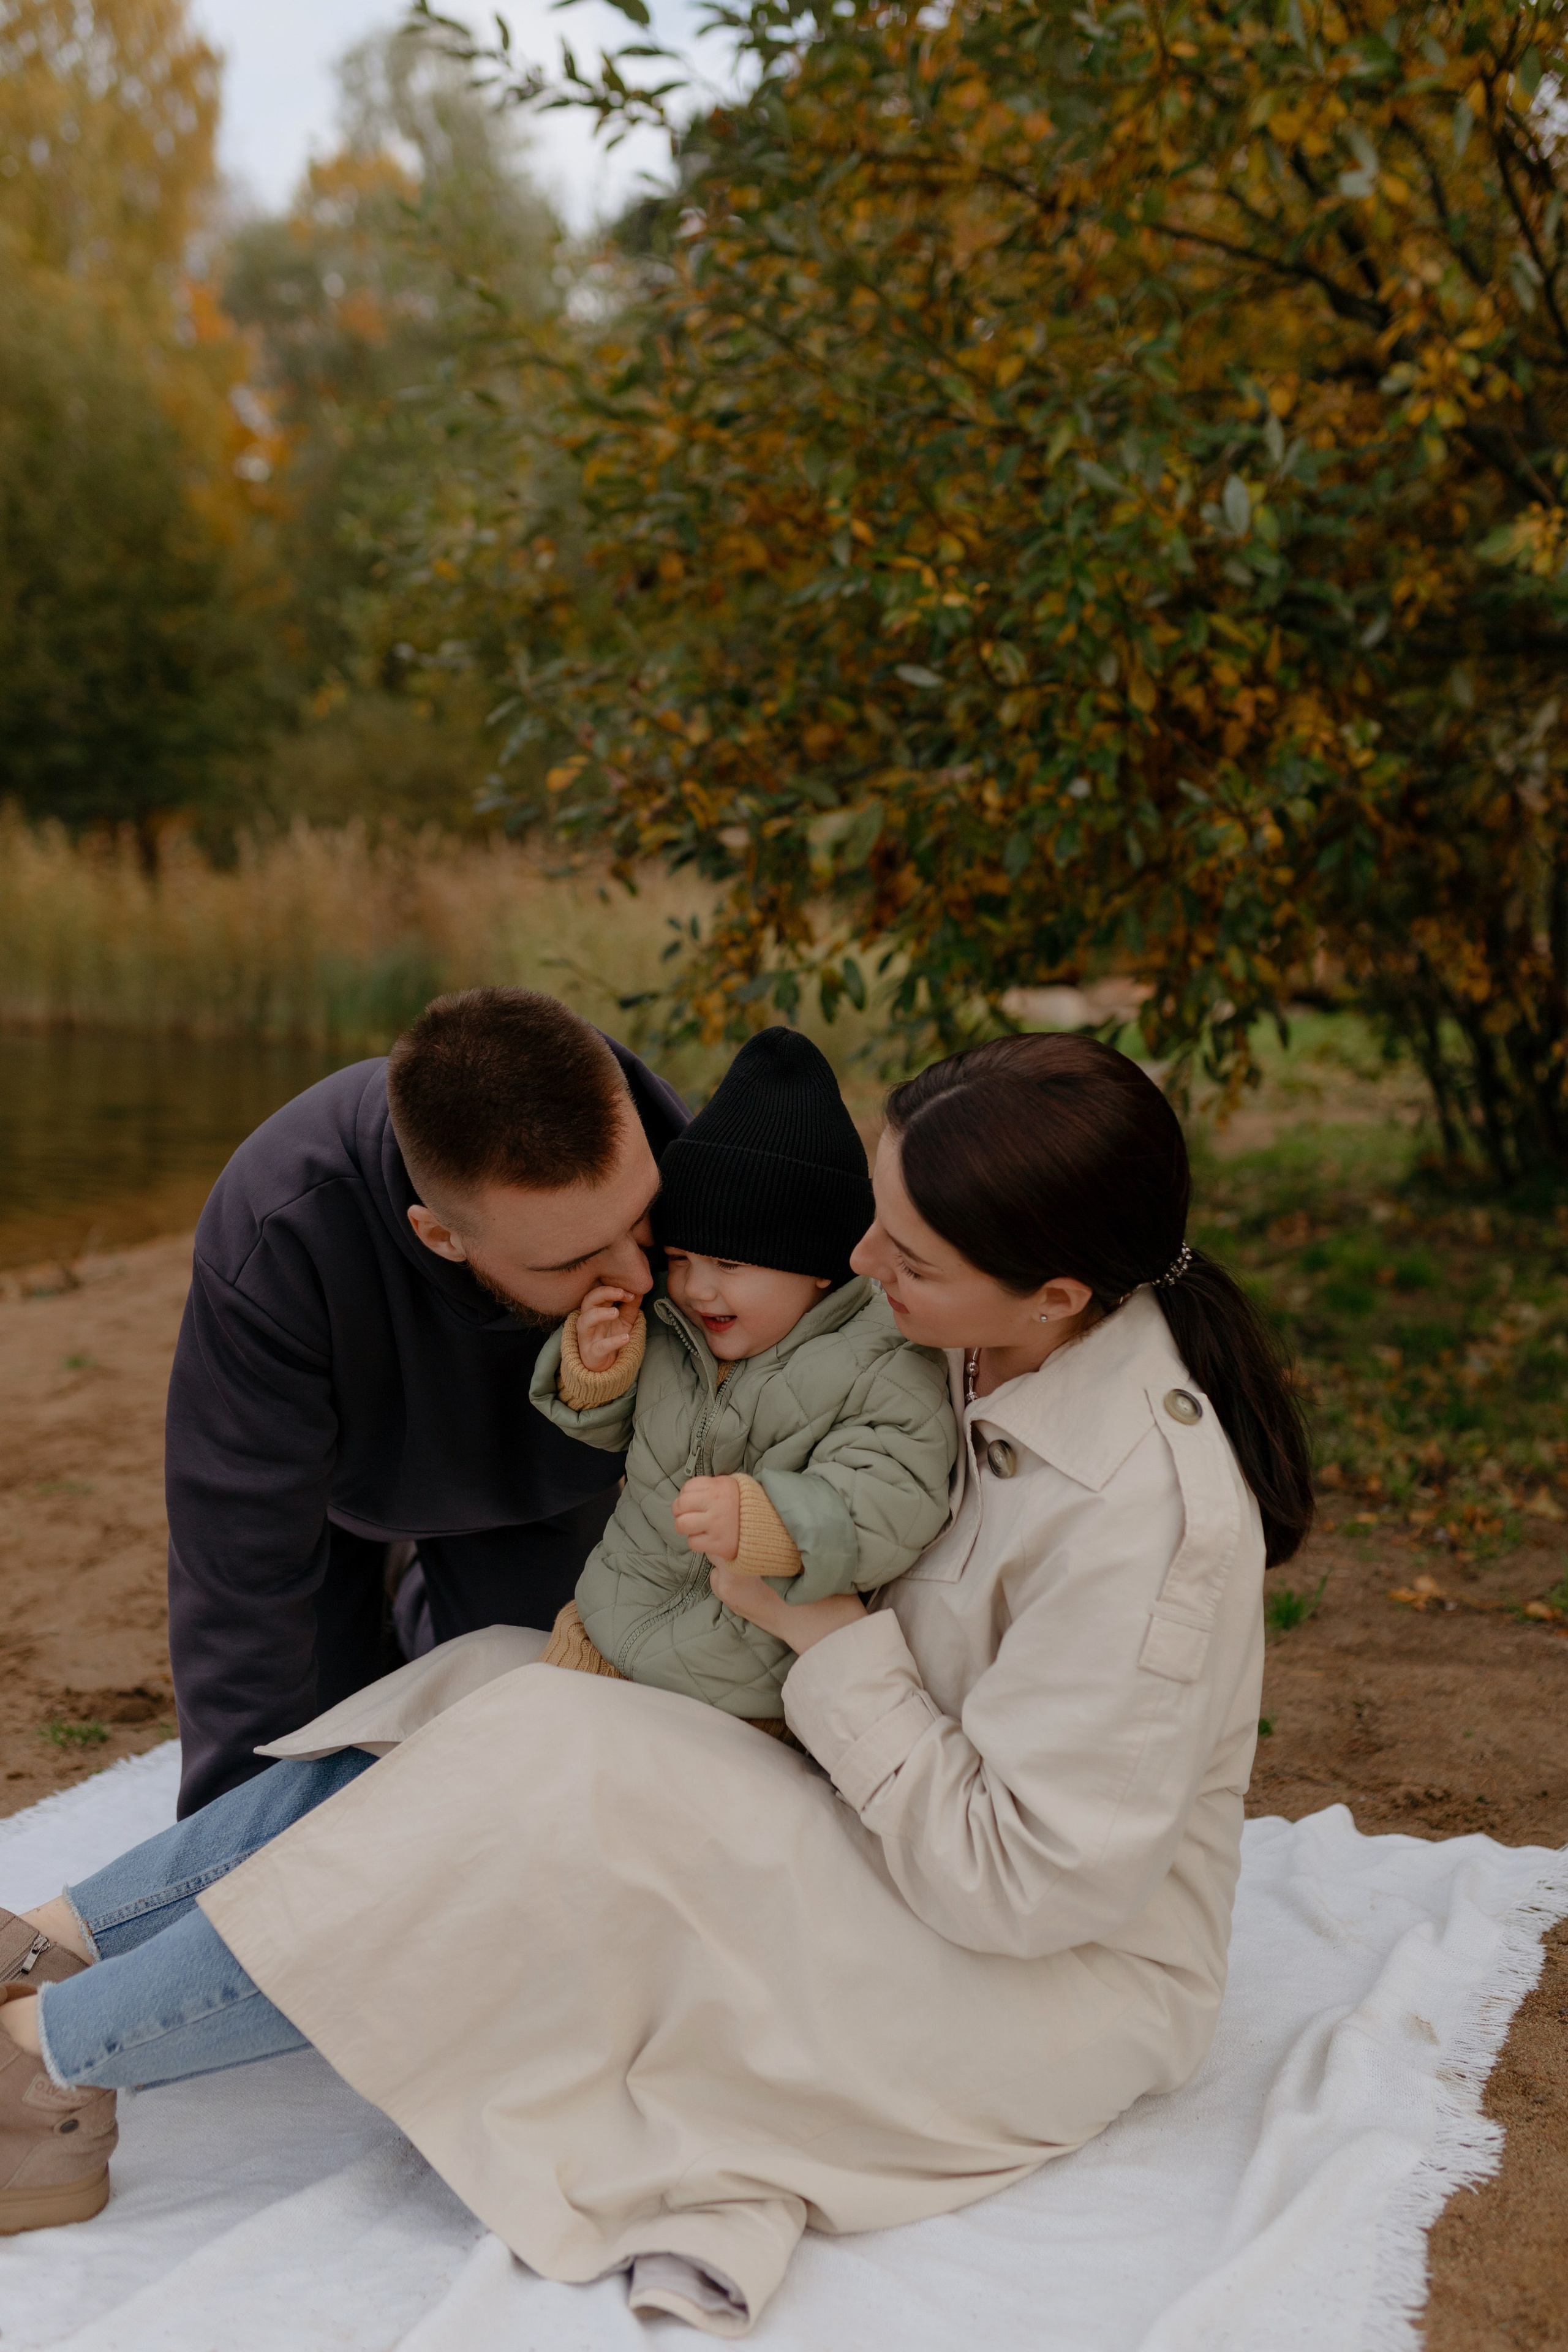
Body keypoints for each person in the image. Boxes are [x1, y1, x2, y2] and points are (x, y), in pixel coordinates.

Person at [0, 1033, 1314, 2335]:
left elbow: (1025, 1892)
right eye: (875, 1221)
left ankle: (43, 2070)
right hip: (863, 1811)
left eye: (903, 1257)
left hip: (1038, 1984)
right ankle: (49, 1941)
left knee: (546, 1772)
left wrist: (826, 1638)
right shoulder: (962, 1342)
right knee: (489, 1682)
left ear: (1056, 1294)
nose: (857, 1265)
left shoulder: (1147, 1524)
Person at [162, 985, 688, 1817]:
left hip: (549, 1476)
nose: (636, 1277)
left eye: (642, 1217)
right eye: (573, 1261)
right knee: (323, 1746)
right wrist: (227, 1855)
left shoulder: (673, 1143)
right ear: (438, 1234)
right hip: (340, 1488)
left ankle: (422, 1602)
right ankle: (393, 1583)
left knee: (528, 1725)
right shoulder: (277, 1228)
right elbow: (238, 1579)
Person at [532, 1028, 956, 1719]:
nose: (698, 1287)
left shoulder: (883, 1360)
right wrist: (598, 1369)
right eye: (680, 1257)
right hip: (602, 1628)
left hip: (743, 1687)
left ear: (821, 1265)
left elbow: (893, 1500)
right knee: (522, 1775)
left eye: (730, 1266)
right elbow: (623, 1433)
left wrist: (770, 1521)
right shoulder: (676, 1320)